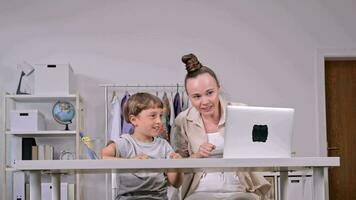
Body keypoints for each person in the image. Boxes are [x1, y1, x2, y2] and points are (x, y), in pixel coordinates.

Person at [172, 54, 271, 200]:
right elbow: (179, 165)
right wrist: (197, 155)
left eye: (210, 93)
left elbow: (261, 149)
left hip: (242, 188)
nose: (204, 102)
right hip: (200, 191)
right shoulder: (183, 120)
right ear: (189, 96)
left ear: (218, 87)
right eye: (197, 97)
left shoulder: (241, 112)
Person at [101, 92, 183, 200]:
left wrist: (178, 166)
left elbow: (176, 183)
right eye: (153, 116)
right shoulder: (125, 142)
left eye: (160, 116)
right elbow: (103, 157)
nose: (159, 121)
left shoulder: (164, 146)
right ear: (134, 120)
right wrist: (130, 162)